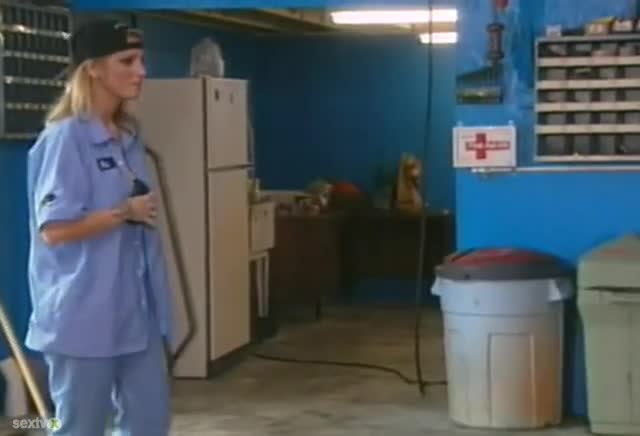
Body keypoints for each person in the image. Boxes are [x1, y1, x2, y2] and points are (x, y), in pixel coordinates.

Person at [25, 19, 173, 435]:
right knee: (81, 427)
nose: (141, 71)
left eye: (141, 60)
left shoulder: (127, 138)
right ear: (92, 68)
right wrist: (123, 212)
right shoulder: (65, 138)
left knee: (149, 423)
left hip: (136, 314)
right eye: (127, 61)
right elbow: (54, 231)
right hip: (83, 316)